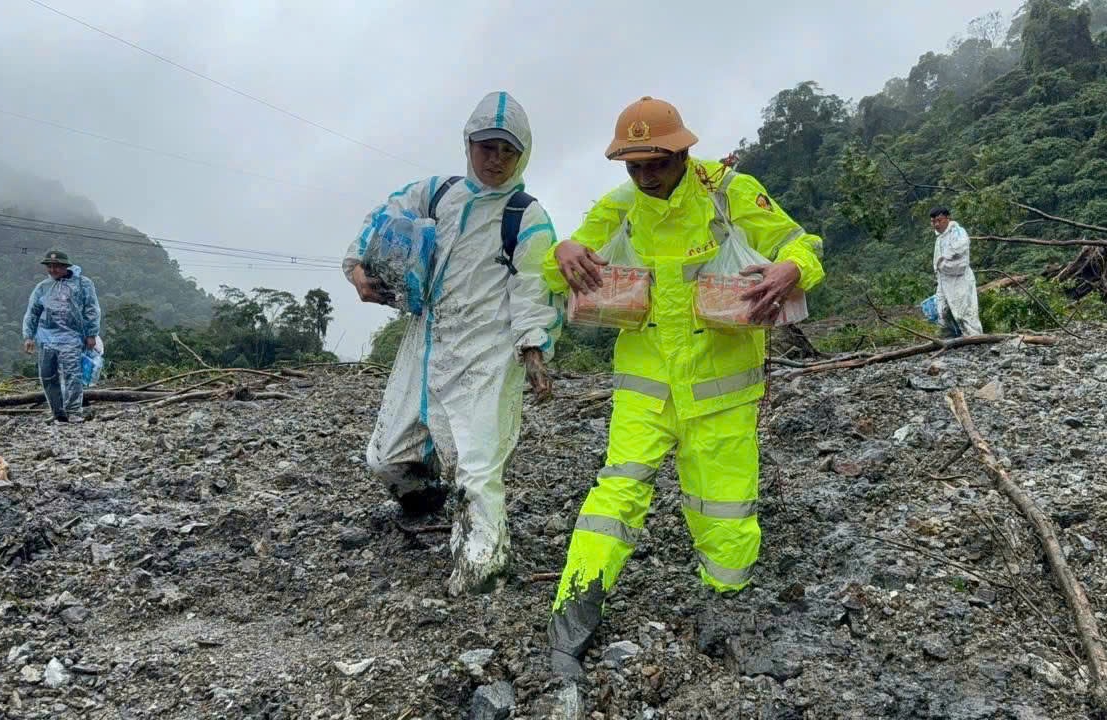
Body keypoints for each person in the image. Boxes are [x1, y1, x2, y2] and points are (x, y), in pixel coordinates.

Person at [543, 96, 825, 678]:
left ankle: (729, 607)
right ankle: (571, 618)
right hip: (646, 387)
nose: (646, 177)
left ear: (683, 152)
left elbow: (802, 243)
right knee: (615, 495)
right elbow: (558, 268)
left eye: (657, 163)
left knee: (725, 511)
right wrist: (562, 249)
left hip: (722, 387)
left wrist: (792, 268)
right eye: (634, 166)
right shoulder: (620, 207)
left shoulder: (730, 193)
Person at [343, 91, 562, 596]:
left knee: (476, 465)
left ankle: (485, 565)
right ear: (468, 145)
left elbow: (533, 286)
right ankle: (425, 501)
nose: (496, 160)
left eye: (508, 150)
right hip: (425, 339)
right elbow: (384, 215)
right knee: (386, 457)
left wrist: (534, 348)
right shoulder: (438, 194)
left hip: (486, 348)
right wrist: (357, 266)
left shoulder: (525, 215)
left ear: (522, 155)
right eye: (487, 147)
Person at [22, 249, 101, 423]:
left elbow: (91, 309)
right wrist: (29, 336)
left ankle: (73, 411)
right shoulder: (43, 287)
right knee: (47, 375)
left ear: (66, 266)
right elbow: (33, 312)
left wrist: (91, 334)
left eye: (56, 266)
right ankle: (58, 412)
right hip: (46, 338)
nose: (52, 270)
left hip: (71, 337)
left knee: (73, 375)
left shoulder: (82, 283)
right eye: (49, 266)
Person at [931, 207, 982, 337]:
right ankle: (950, 339)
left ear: (948, 218)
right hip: (944, 280)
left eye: (939, 220)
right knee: (942, 311)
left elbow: (961, 248)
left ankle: (975, 338)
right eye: (933, 221)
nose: (936, 224)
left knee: (965, 311)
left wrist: (944, 260)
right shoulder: (940, 238)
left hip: (960, 279)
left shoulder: (958, 232)